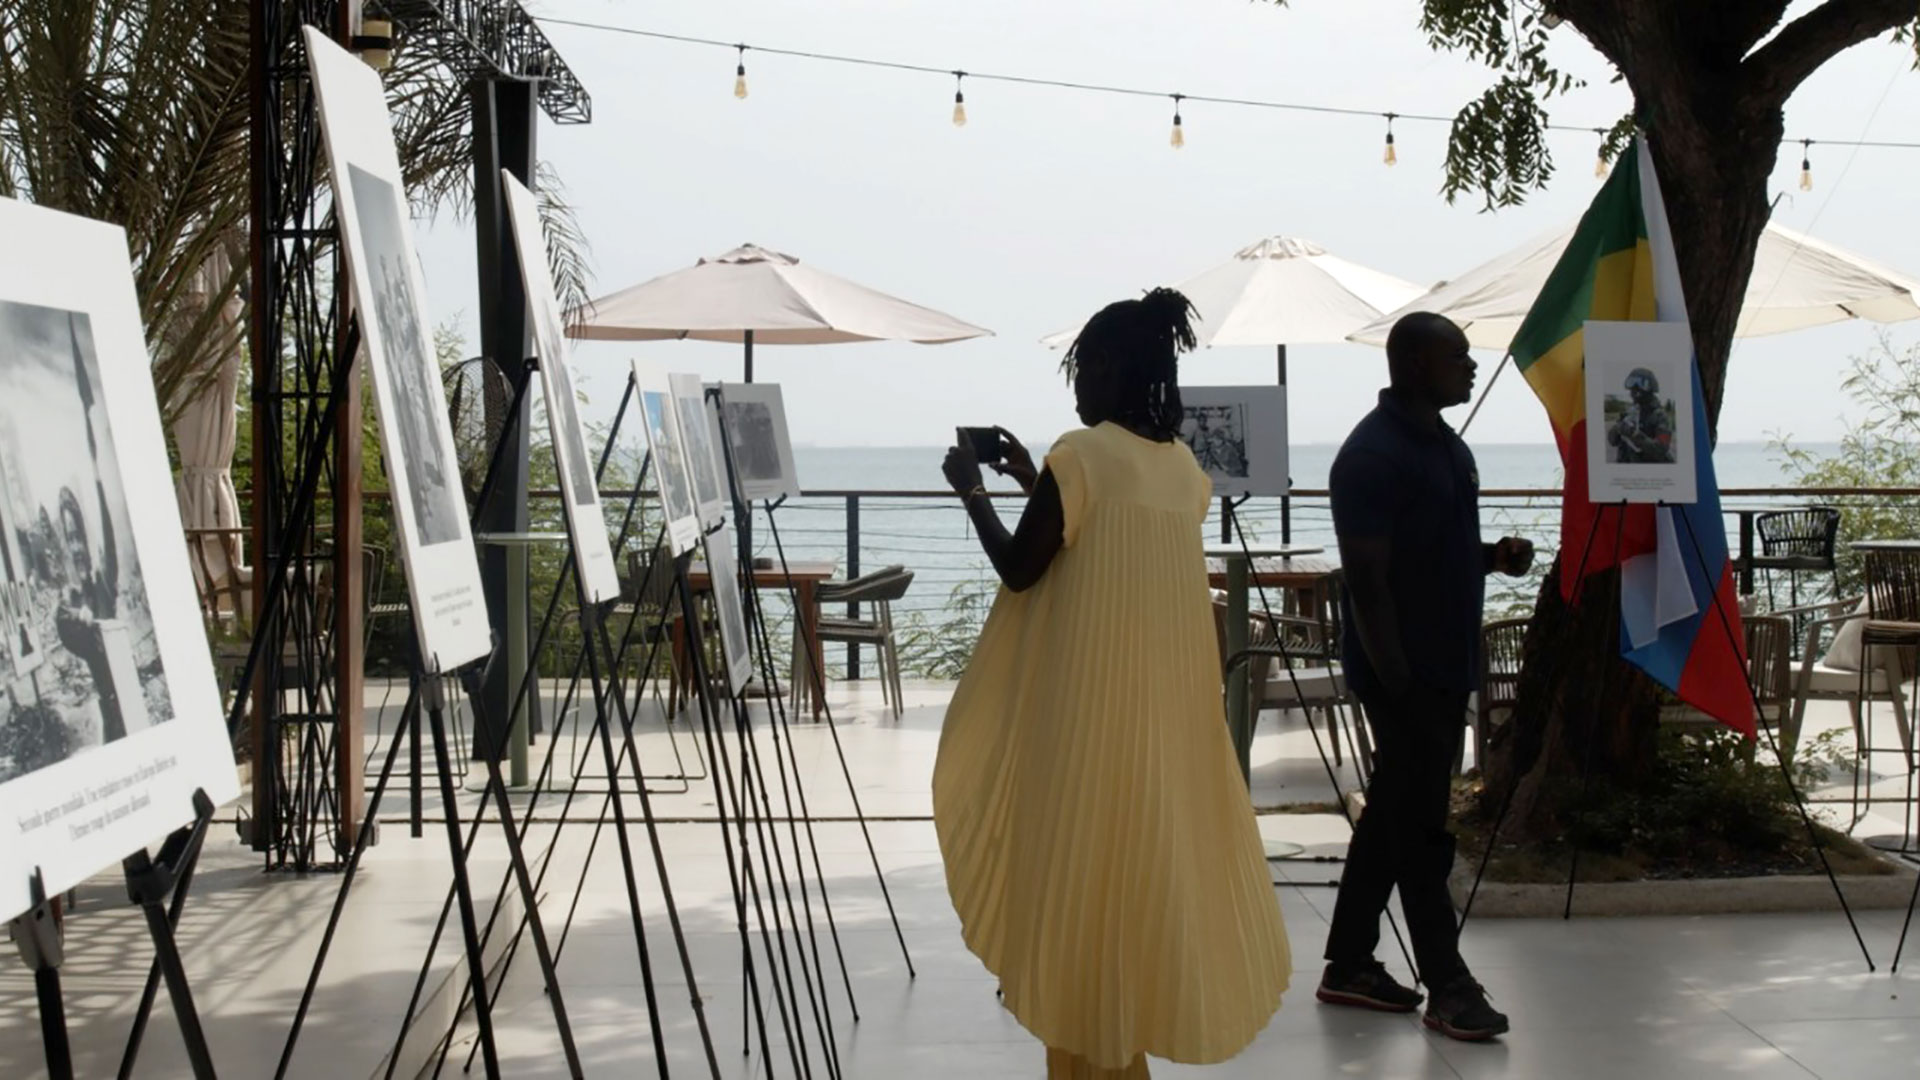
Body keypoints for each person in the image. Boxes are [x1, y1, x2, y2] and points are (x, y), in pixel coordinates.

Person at [935, 288, 1289, 1079]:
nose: (1075, 387)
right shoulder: (1183, 471)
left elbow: (1024, 569)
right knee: (1126, 900)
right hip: (1158, 727)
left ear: (1110, 369)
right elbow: (1094, 538)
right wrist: (1034, 474)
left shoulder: (1085, 452)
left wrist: (971, 487)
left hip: (1087, 723)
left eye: (1083, 367)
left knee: (1080, 904)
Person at [1318, 311, 1533, 1042]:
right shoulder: (1369, 457)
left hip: (1443, 664)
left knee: (1391, 816)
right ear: (1413, 364)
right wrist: (1400, 683)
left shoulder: (1449, 447)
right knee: (1420, 829)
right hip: (1402, 674)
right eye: (1456, 357)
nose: (1470, 367)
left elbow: (1434, 548)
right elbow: (1368, 582)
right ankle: (1448, 983)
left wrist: (1491, 557)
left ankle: (1348, 961)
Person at [1608, 367, 1676, 464]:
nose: (1633, 392)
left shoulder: (1660, 416)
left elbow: (1661, 449)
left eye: (1640, 384)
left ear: (1650, 388)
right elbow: (1612, 441)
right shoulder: (1629, 413)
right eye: (1632, 385)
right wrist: (1618, 428)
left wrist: (1634, 435)